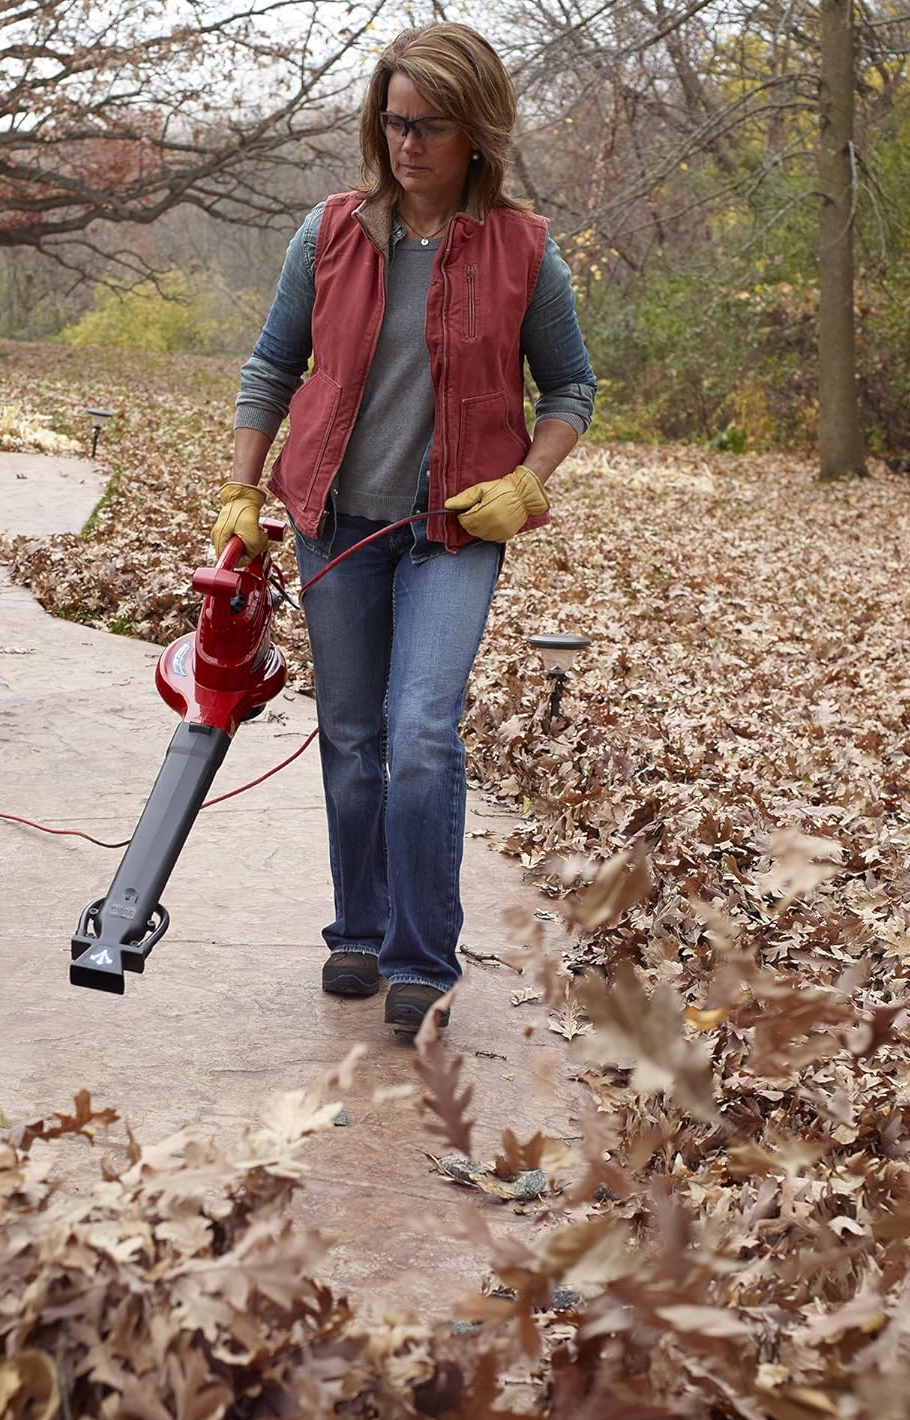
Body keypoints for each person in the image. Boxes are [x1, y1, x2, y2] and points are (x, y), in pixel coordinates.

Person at [212, 22, 596, 1038]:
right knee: (350, 735)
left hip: (453, 533)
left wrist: (528, 478)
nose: (408, 143)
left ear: (475, 131)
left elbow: (572, 388)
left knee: (422, 734)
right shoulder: (330, 231)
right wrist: (242, 494)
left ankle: (422, 957)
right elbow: (270, 366)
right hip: (336, 521)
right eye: (394, 120)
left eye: (429, 124)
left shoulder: (523, 250)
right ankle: (360, 929)